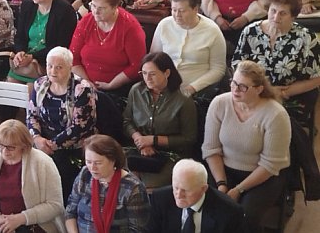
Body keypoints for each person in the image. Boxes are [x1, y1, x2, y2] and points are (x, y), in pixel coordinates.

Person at [202, 60, 292, 233]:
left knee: (245, 217)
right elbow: (211, 149)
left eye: (242, 87)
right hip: (223, 170)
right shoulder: (219, 103)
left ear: (259, 89)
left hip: (261, 176)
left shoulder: (276, 114)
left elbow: (270, 165)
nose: (235, 89)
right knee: (208, 209)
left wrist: (238, 189)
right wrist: (222, 184)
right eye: (233, 83)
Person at [232, 0, 320, 128]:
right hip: (253, 93)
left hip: (290, 96)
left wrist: (285, 92)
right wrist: (261, 91)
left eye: (283, 13)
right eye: (273, 11)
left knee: (277, 124)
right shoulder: (250, 32)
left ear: (293, 16)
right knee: (243, 120)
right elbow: (238, 66)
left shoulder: (306, 38)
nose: (276, 17)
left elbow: (316, 78)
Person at [27, 47, 97, 202]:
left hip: (73, 145)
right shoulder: (40, 84)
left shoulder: (82, 89)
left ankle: (63, 206)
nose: (53, 71)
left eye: (59, 67)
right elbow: (32, 116)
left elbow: (80, 127)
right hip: (43, 141)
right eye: (50, 66)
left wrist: (52, 145)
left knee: (62, 177)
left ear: (70, 67)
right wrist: (37, 138)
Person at [123, 52, 198, 188]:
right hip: (138, 149)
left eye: (152, 74)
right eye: (144, 73)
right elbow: (127, 121)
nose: (147, 78)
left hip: (170, 154)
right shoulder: (136, 90)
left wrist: (153, 140)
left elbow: (189, 138)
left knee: (148, 186)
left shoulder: (183, 99)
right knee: (119, 176)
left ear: (167, 73)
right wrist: (140, 141)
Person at [0, 120, 65, 233]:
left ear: (24, 145)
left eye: (11, 147)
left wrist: (21, 218)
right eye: (0, 145)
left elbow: (56, 205)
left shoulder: (43, 163)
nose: (4, 151)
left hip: (33, 226)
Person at [70, 0, 145, 99]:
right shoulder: (86, 21)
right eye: (93, 6)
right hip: (84, 85)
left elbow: (137, 65)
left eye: (101, 8)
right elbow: (72, 58)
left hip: (118, 89)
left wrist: (111, 85)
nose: (95, 12)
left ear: (115, 7)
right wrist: (87, 82)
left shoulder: (130, 27)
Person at [151, 0, 226, 98]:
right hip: (164, 86)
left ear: (195, 9)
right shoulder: (164, 25)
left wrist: (192, 88)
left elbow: (218, 70)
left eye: (182, 11)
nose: (177, 15)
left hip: (198, 90)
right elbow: (154, 58)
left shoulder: (212, 31)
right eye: (174, 10)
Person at [65, 134, 150, 233]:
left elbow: (138, 229)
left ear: (113, 160)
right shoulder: (85, 174)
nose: (92, 168)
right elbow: (70, 212)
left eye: (98, 163)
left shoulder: (133, 187)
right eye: (88, 162)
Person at [10, 0, 77, 83]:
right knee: (10, 85)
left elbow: (61, 46)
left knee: (31, 88)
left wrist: (32, 57)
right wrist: (20, 52)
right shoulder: (27, 5)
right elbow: (20, 36)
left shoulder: (65, 10)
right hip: (25, 62)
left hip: (49, 63)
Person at [150, 159, 246, 233]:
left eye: (185, 190)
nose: (178, 195)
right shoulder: (160, 198)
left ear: (203, 189)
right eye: (175, 187)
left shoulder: (229, 211)